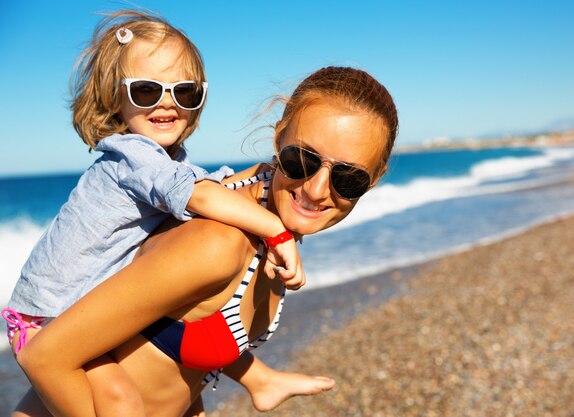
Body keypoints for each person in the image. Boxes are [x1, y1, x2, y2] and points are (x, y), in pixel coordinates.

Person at [15, 65, 399, 417]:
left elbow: (168, 367)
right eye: (302, 160)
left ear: (376, 178)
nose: (316, 190)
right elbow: (43, 357)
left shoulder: (269, 223)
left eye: (349, 179)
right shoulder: (218, 243)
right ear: (279, 136)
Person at [2, 10, 305, 417]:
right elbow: (202, 197)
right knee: (121, 402)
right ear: (115, 98)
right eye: (146, 90)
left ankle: (257, 380)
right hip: (46, 317)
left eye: (185, 91)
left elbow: (208, 187)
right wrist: (276, 232)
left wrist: (260, 177)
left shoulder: (168, 161)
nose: (167, 103)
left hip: (80, 307)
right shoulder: (133, 154)